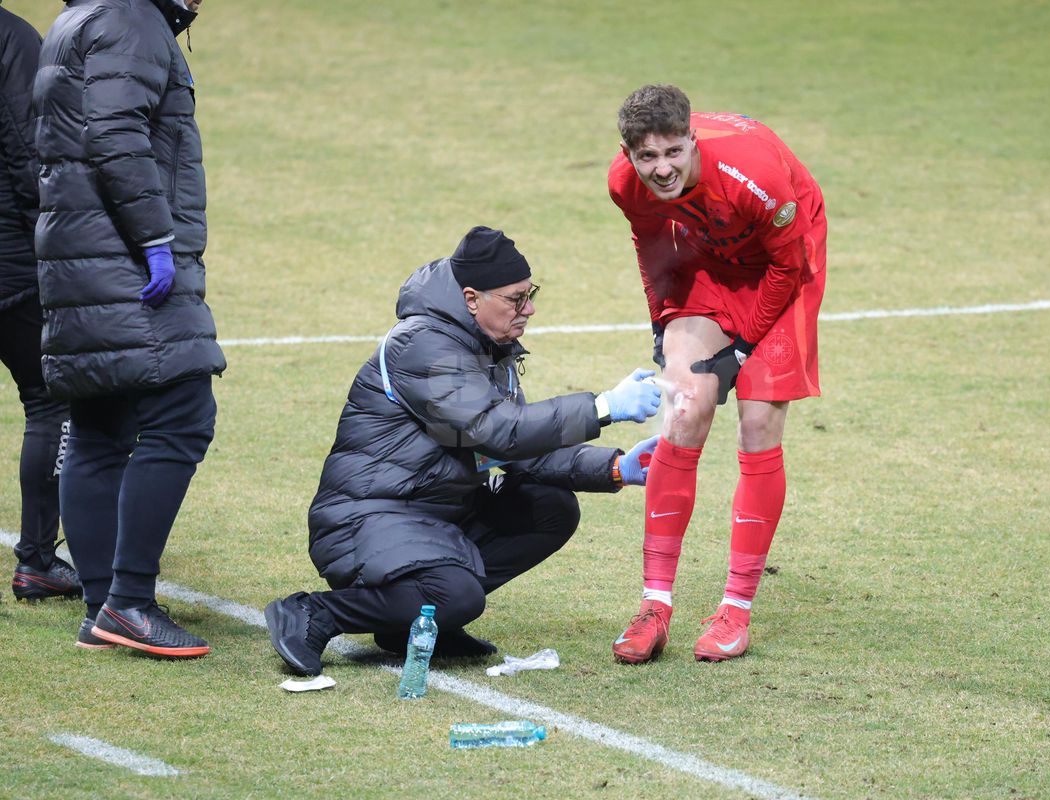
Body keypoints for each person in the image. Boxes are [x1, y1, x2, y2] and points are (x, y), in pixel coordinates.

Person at [265, 226, 661, 677]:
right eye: (515, 299)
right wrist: (604, 406)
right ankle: (317, 614)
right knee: (459, 594)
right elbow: (497, 431)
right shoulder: (423, 345)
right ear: (472, 299)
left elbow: (518, 453)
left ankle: (414, 621)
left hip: (431, 514)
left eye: (530, 294)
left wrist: (615, 467)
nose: (528, 308)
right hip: (366, 518)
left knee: (550, 508)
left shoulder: (489, 346)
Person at [607, 84, 826, 662]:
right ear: (627, 154)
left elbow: (787, 264)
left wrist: (744, 346)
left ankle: (735, 611)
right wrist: (663, 322)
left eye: (674, 153)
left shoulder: (756, 177)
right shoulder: (625, 183)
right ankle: (655, 605)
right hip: (707, 250)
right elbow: (651, 240)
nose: (661, 169)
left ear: (692, 140)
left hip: (781, 264)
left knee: (757, 423)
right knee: (684, 406)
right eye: (647, 157)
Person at [34, 0, 224, 656]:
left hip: (78, 260)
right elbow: (115, 134)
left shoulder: (80, 18)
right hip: (122, 260)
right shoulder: (130, 19)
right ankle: (130, 603)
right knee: (184, 412)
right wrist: (157, 239)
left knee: (100, 428)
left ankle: (102, 608)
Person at [1, 1, 80, 604]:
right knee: (49, 402)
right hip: (12, 268)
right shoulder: (12, 39)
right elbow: (32, 157)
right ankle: (36, 560)